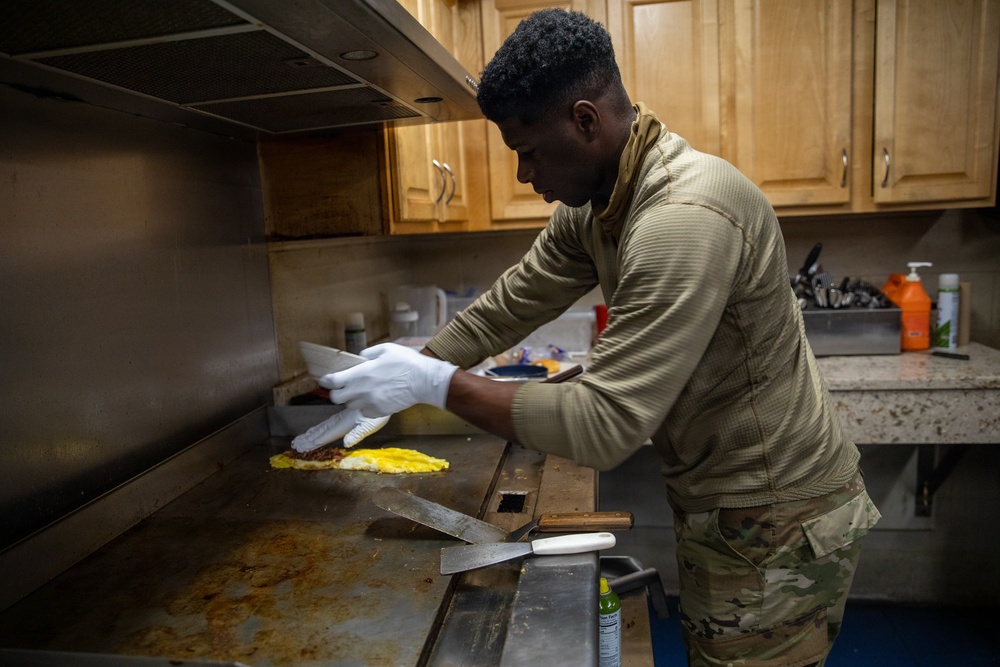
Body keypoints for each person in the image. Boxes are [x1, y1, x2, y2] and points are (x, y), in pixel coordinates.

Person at [293, 9, 880, 666]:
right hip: (725, 499)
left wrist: (435, 384)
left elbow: (608, 423)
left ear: (584, 121)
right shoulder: (602, 203)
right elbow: (514, 301)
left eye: (529, 152)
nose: (524, 175)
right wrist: (410, 369)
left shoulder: (682, 216)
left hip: (776, 512)